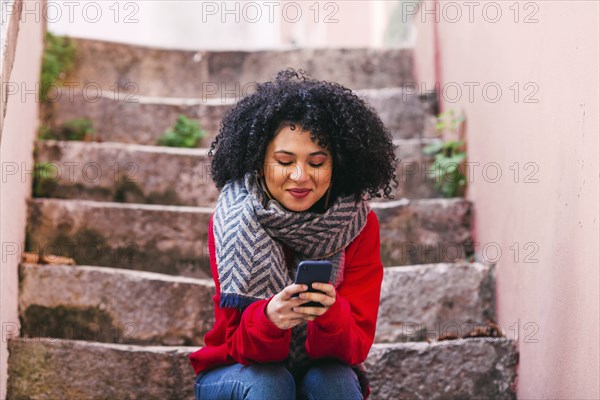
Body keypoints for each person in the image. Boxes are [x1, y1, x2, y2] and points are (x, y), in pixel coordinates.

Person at [188, 68, 398, 400]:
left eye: (316, 163)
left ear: (337, 165)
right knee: (270, 383)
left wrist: (330, 313)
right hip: (237, 371)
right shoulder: (233, 219)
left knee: (336, 381)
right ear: (259, 162)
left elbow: (354, 348)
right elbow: (237, 345)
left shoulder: (358, 223)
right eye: (284, 161)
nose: (300, 177)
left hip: (322, 370)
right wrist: (269, 319)